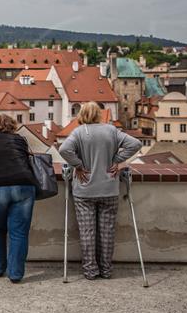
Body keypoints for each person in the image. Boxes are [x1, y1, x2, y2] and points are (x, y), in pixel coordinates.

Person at [59, 101, 142, 280]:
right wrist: (116, 160)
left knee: (87, 232)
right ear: (99, 114)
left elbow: (64, 149)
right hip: (109, 189)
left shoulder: (79, 132)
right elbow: (135, 144)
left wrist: (78, 165)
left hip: (85, 190)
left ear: (81, 115)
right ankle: (106, 269)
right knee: (107, 232)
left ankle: (90, 271)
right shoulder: (111, 130)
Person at [0, 114, 37, 283]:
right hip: (23, 186)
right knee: (18, 232)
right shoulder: (20, 140)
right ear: (13, 126)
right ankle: (16, 274)